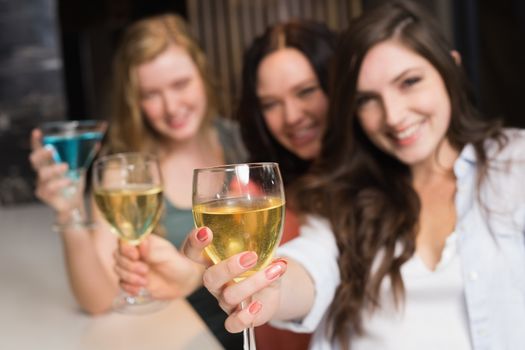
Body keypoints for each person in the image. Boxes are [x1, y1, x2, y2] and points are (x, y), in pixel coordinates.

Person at [179, 1, 525, 349]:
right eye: (367, 99)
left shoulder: (515, 164)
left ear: (451, 68)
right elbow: (313, 264)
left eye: (409, 82)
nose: (393, 115)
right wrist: (274, 288)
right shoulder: (347, 189)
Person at [114, 20, 337, 350]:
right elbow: (313, 265)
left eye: (306, 91)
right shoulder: (277, 179)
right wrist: (196, 277)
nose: (291, 116)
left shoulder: (373, 175)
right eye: (270, 104)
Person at [29, 13, 245, 349]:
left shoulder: (242, 144)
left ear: (203, 74)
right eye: (151, 94)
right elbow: (97, 300)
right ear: (134, 100)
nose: (172, 107)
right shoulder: (128, 175)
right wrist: (67, 210)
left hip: (256, 328)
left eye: (180, 84)